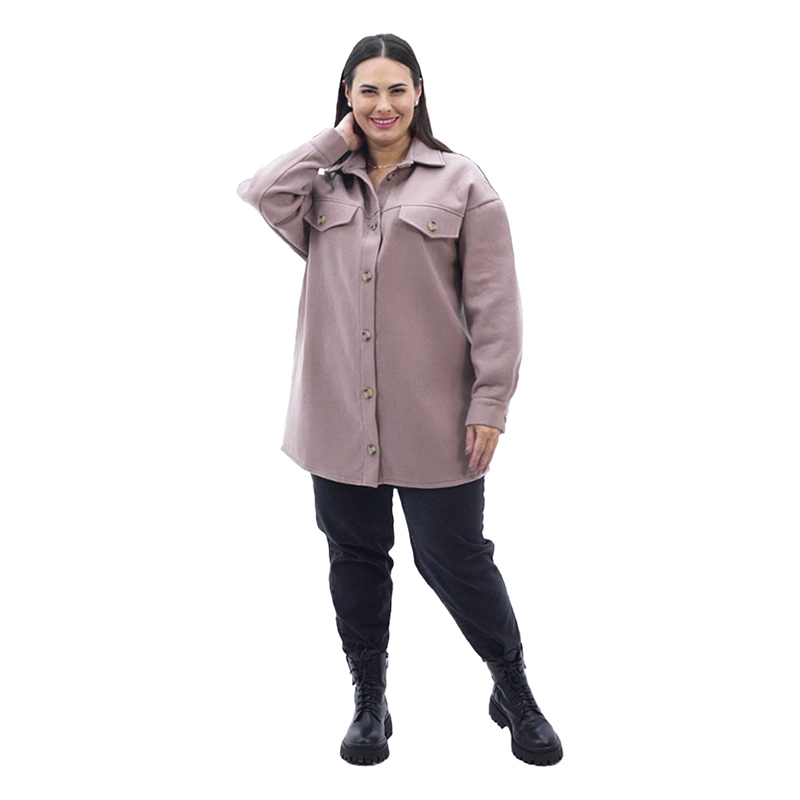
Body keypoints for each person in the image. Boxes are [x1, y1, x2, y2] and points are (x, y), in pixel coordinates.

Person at [237, 33, 562, 767]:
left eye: (396, 89)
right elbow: (261, 191)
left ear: (419, 93)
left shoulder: (463, 182)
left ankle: (513, 687)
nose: (383, 105)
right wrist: (333, 142)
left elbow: (495, 305)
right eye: (367, 91)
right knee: (355, 556)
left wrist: (490, 403)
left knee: (455, 557)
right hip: (336, 415)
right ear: (347, 98)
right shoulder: (321, 187)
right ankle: (370, 699)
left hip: (435, 416)